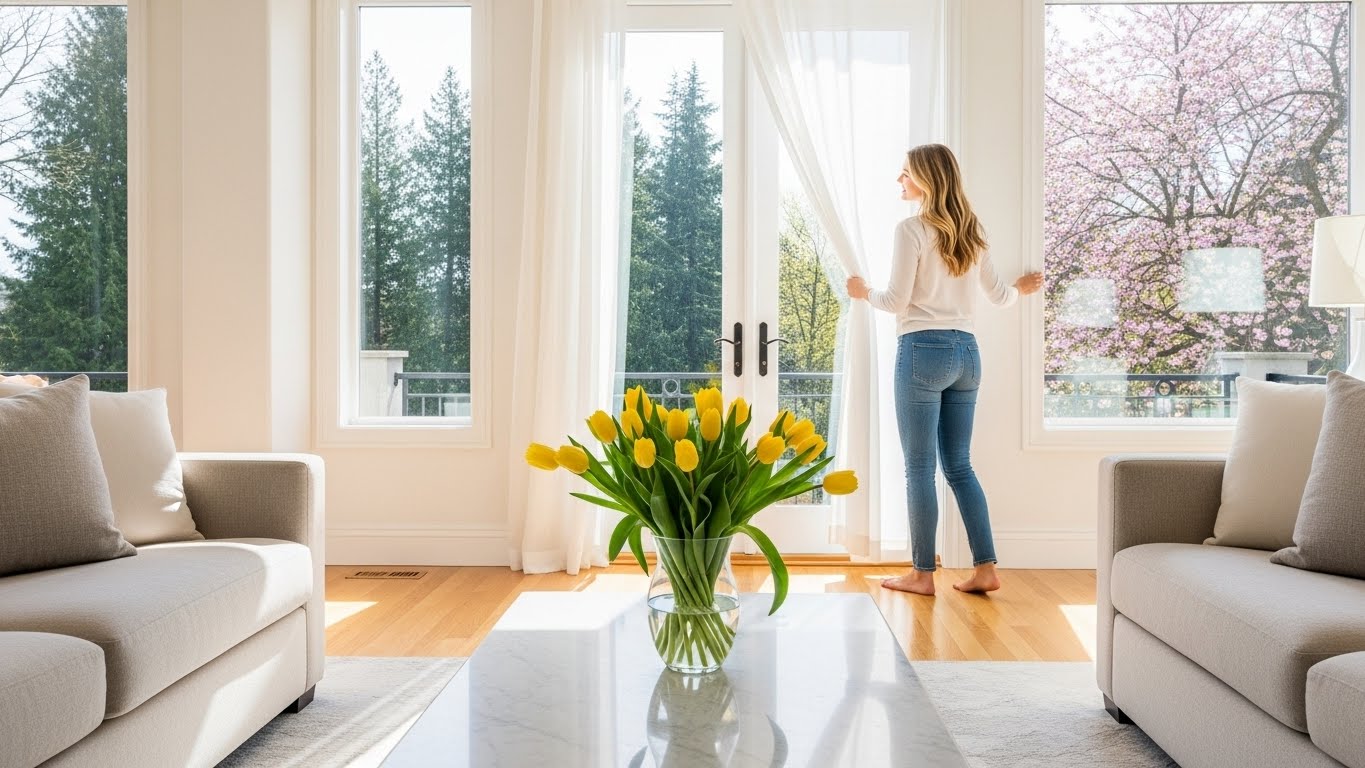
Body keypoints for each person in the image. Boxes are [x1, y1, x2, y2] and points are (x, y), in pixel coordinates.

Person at [846, 144, 1043, 596]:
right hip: (967, 353)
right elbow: (999, 296)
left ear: (925, 179)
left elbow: (896, 300)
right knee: (959, 466)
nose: (899, 181)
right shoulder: (973, 230)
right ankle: (986, 568)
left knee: (919, 468)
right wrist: (1021, 289)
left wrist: (863, 292)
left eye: (905, 173)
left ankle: (921, 575)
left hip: (922, 350)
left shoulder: (911, 229)